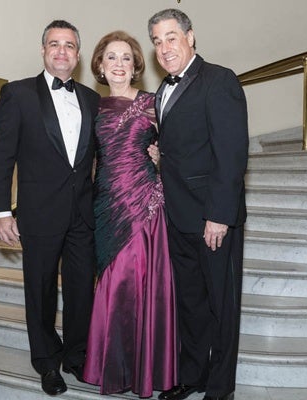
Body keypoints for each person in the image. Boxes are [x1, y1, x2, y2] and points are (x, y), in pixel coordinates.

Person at [0, 20, 100, 396]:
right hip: (38, 213)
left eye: (69, 45)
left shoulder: (91, 98)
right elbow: (2, 155)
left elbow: (106, 154)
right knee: (40, 291)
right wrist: (2, 210)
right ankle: (47, 363)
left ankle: (78, 356)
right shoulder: (17, 94)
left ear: (78, 55)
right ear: (43, 51)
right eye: (54, 44)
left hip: (84, 214)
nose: (62, 51)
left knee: (82, 289)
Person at [148, 9, 249, 400]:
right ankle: (194, 375)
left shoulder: (219, 80)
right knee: (190, 303)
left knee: (222, 307)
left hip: (211, 217)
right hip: (178, 215)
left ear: (191, 37)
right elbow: (184, 146)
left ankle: (220, 389)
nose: (164, 47)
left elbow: (231, 154)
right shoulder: (162, 91)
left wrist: (219, 216)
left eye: (171, 37)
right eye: (157, 41)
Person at [82, 30, 177, 397]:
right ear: (100, 66)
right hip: (106, 202)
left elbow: (181, 148)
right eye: (111, 57)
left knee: (139, 281)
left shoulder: (155, 103)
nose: (119, 64)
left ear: (136, 65)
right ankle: (111, 364)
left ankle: (145, 370)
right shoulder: (92, 108)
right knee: (111, 280)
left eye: (125, 57)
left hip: (146, 203)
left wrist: (162, 159)